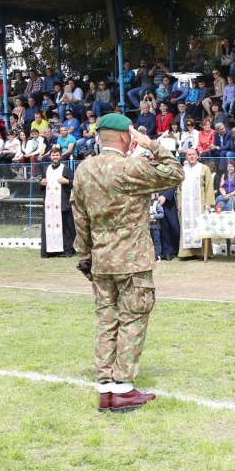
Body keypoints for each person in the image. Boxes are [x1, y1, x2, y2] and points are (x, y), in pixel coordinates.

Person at [71, 113, 184, 413]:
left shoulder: (84, 170)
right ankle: (122, 387)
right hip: (132, 260)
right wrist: (152, 144)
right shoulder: (131, 166)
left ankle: (106, 387)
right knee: (133, 319)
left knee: (107, 320)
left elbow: (79, 217)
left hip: (101, 259)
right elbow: (175, 172)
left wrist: (84, 255)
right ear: (125, 137)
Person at [176, 148, 215, 259]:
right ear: (186, 157)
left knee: (201, 227)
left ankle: (203, 252)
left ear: (197, 156)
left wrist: (208, 203)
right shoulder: (182, 169)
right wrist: (179, 203)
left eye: (193, 154)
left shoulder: (204, 168)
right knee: (187, 227)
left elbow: (209, 186)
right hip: (186, 204)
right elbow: (179, 189)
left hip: (200, 204)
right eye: (189, 155)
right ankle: (187, 253)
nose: (191, 156)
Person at [40, 145, 76, 258]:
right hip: (49, 204)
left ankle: (67, 250)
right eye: (53, 155)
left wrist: (67, 181)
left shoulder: (65, 168)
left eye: (57, 155)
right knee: (49, 226)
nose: (55, 157)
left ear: (60, 156)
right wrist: (41, 183)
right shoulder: (46, 169)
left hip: (62, 203)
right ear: (50, 156)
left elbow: (75, 182)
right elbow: (42, 182)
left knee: (65, 228)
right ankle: (49, 251)